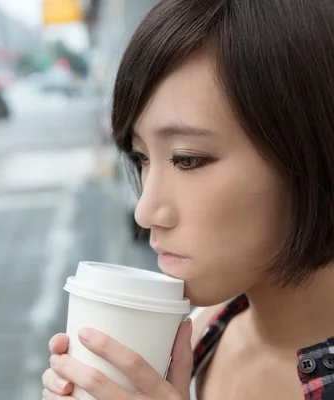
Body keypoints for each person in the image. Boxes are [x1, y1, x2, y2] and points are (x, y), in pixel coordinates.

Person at [41, 0, 334, 399]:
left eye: (187, 159)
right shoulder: (200, 330)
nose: (145, 212)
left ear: (314, 148)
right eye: (142, 157)